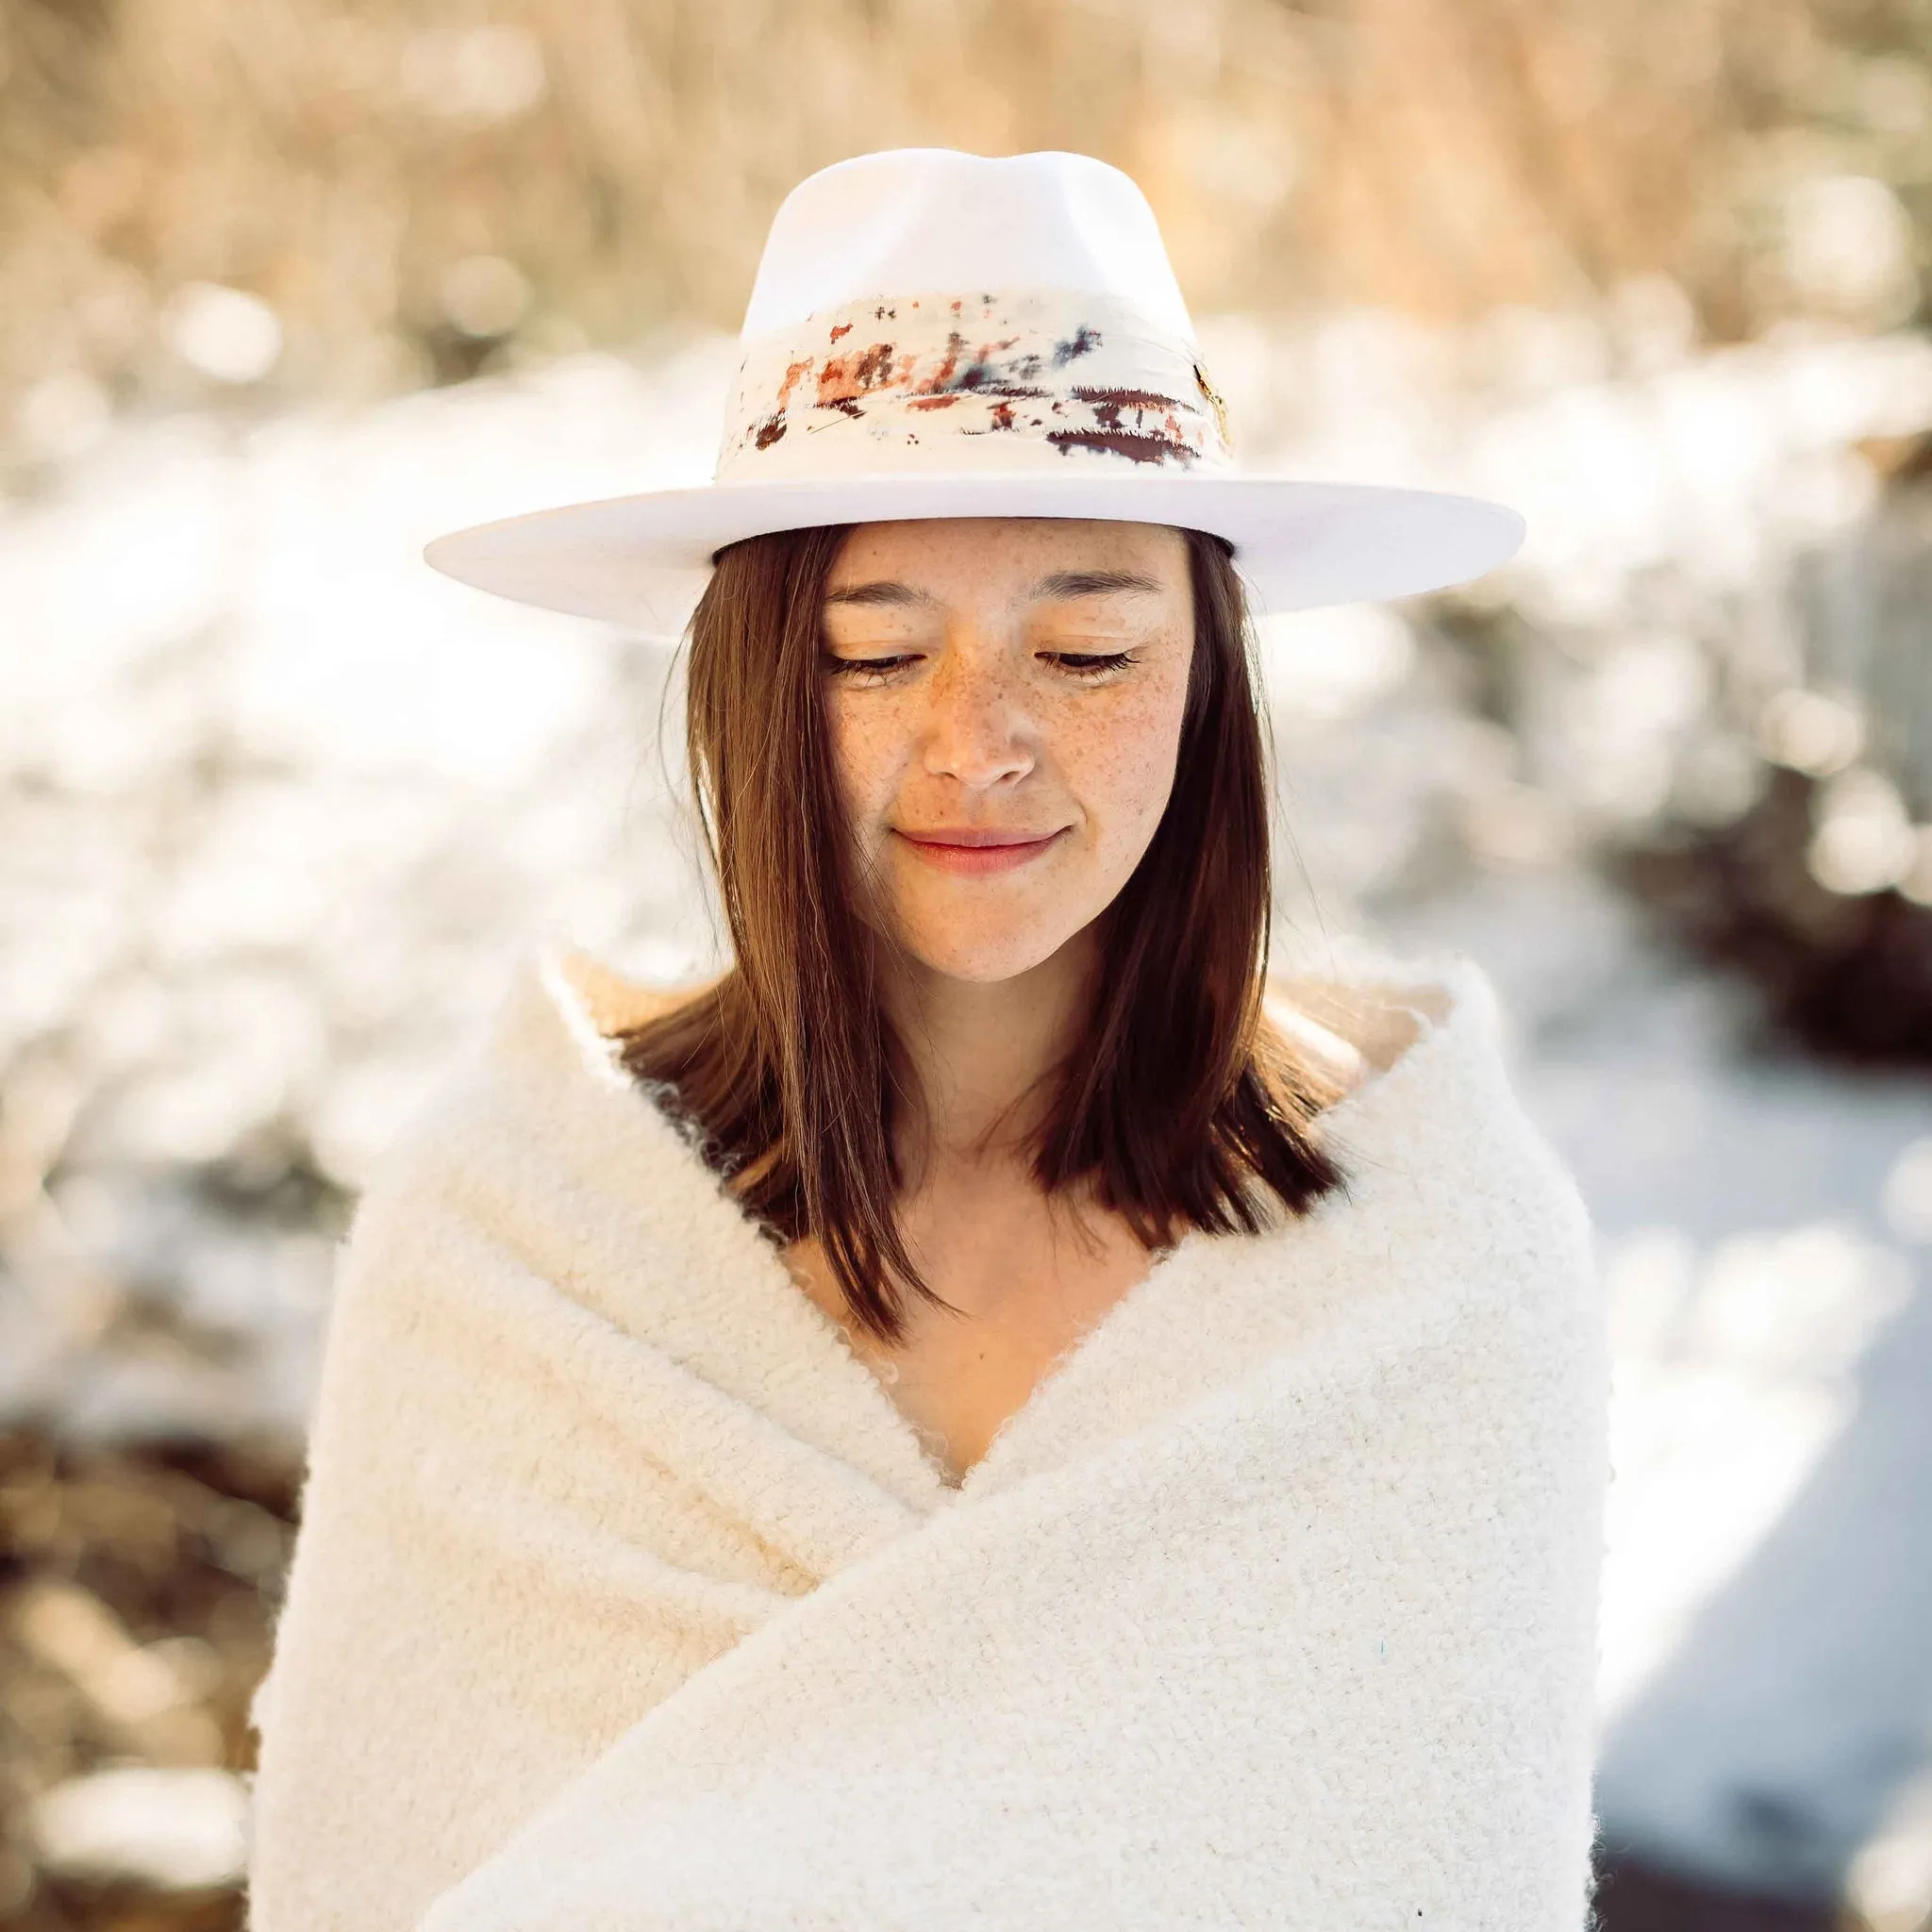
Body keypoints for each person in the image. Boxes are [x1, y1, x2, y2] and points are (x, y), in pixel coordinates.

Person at [244, 148, 1609, 1932]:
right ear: (752, 684)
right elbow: (376, 1868)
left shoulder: (1435, 1260)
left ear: (1209, 674)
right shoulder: (512, 1239)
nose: (980, 744)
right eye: (875, 658)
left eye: (1094, 652)